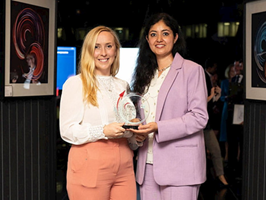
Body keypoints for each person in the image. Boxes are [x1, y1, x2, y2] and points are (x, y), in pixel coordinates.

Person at [129, 13, 209, 200]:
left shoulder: (192, 70)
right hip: (147, 167)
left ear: (175, 37)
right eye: (153, 34)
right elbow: (144, 117)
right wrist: (137, 129)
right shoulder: (145, 76)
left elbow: (199, 117)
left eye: (165, 33)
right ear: (147, 39)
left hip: (181, 168)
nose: (159, 39)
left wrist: (159, 127)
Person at [59, 26, 139, 200]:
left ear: (116, 51)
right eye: (96, 47)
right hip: (90, 165)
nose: (103, 52)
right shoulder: (75, 84)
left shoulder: (122, 85)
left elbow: (125, 127)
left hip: (124, 164)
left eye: (109, 46)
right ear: (89, 51)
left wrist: (135, 136)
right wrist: (103, 131)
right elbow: (67, 131)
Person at [203, 58, 229, 188]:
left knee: (215, 150)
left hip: (205, 123)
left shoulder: (206, 77)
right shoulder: (202, 76)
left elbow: (206, 103)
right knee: (208, 152)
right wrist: (211, 96)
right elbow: (198, 102)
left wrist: (214, 97)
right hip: (198, 123)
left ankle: (220, 176)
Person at [219, 63, 236, 162]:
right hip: (226, 107)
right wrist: (225, 98)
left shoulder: (237, 82)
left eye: (234, 71)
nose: (232, 73)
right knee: (224, 132)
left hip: (234, 108)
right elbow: (221, 97)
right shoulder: (224, 82)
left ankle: (236, 155)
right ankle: (226, 154)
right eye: (231, 72)